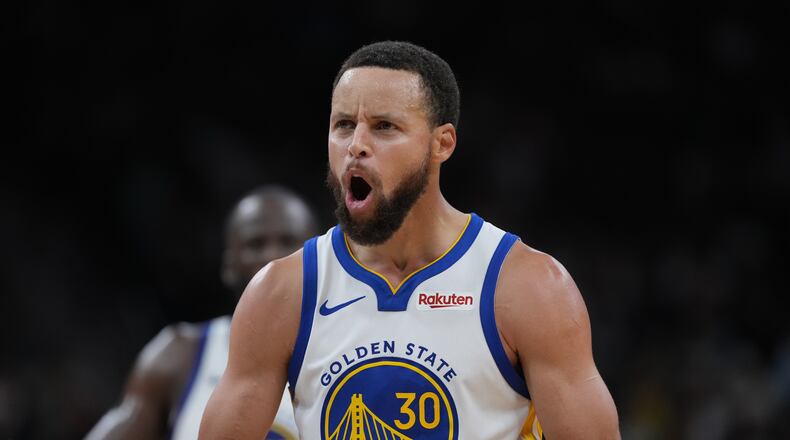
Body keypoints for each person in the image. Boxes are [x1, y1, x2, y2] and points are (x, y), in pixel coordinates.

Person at [200, 41, 620, 439]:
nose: (356, 146)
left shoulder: (528, 287)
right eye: (343, 125)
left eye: (384, 127)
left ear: (442, 143)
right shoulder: (282, 292)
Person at [86, 185, 318, 440]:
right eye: (256, 244)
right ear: (229, 266)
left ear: (319, 259)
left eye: (288, 242)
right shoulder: (179, 355)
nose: (272, 257)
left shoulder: (351, 348)